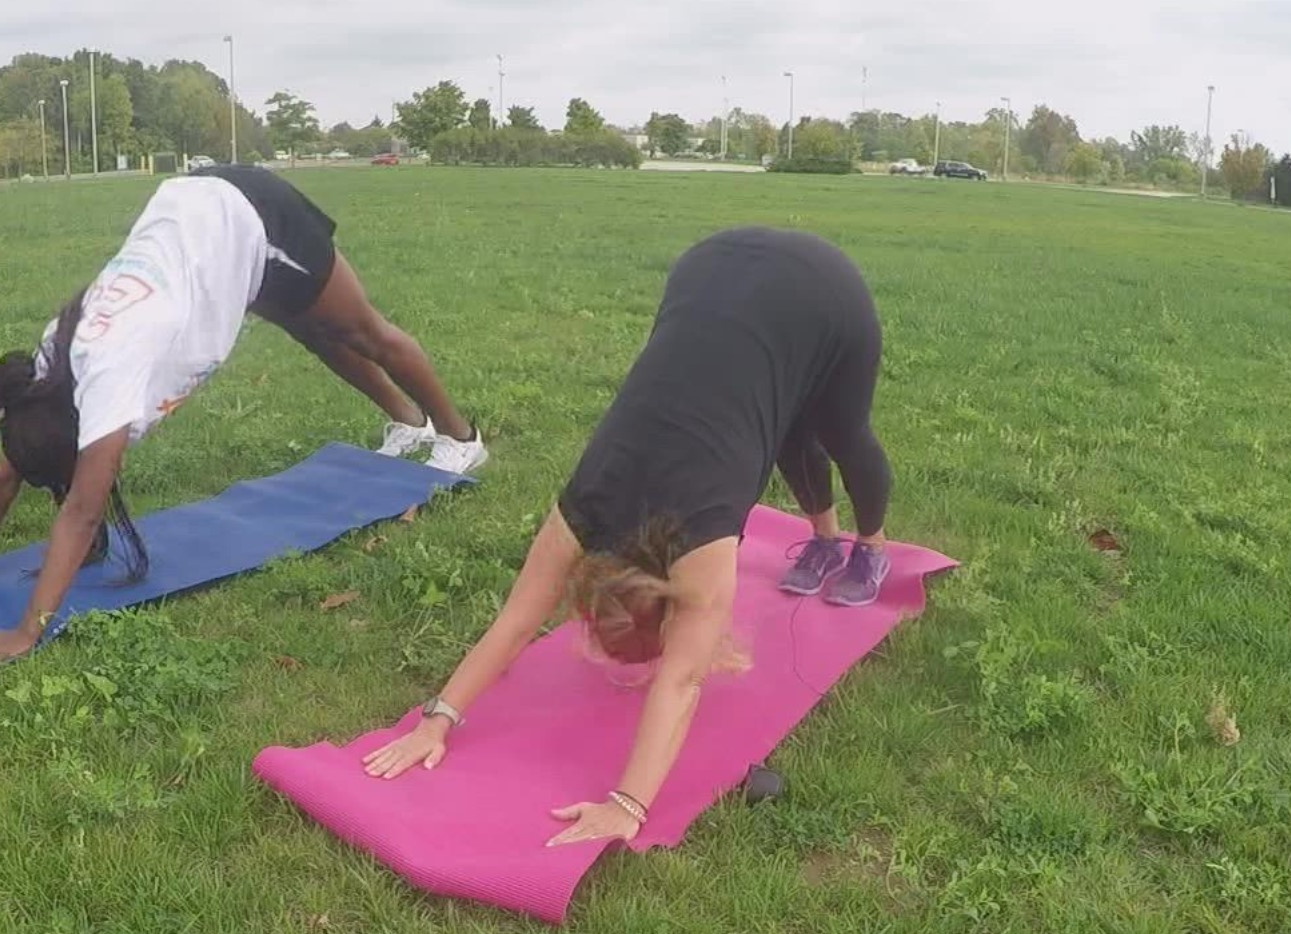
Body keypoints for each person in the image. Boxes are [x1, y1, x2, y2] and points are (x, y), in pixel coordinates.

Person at [360, 228, 893, 847]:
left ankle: (870, 546)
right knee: (778, 415)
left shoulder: (700, 558)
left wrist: (626, 805)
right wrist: (436, 722)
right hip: (709, 266)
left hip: (821, 292)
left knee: (840, 429)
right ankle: (822, 536)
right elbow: (513, 624)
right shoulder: (578, 517)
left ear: (669, 612)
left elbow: (683, 680)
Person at [0, 164, 488, 666]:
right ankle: (409, 426)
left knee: (360, 330)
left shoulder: (110, 376)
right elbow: (4, 473)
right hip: (199, 231)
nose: (64, 487)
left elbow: (84, 513)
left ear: (83, 432)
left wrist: (27, 632)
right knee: (314, 333)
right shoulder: (47, 372)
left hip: (251, 217)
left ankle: (461, 440)